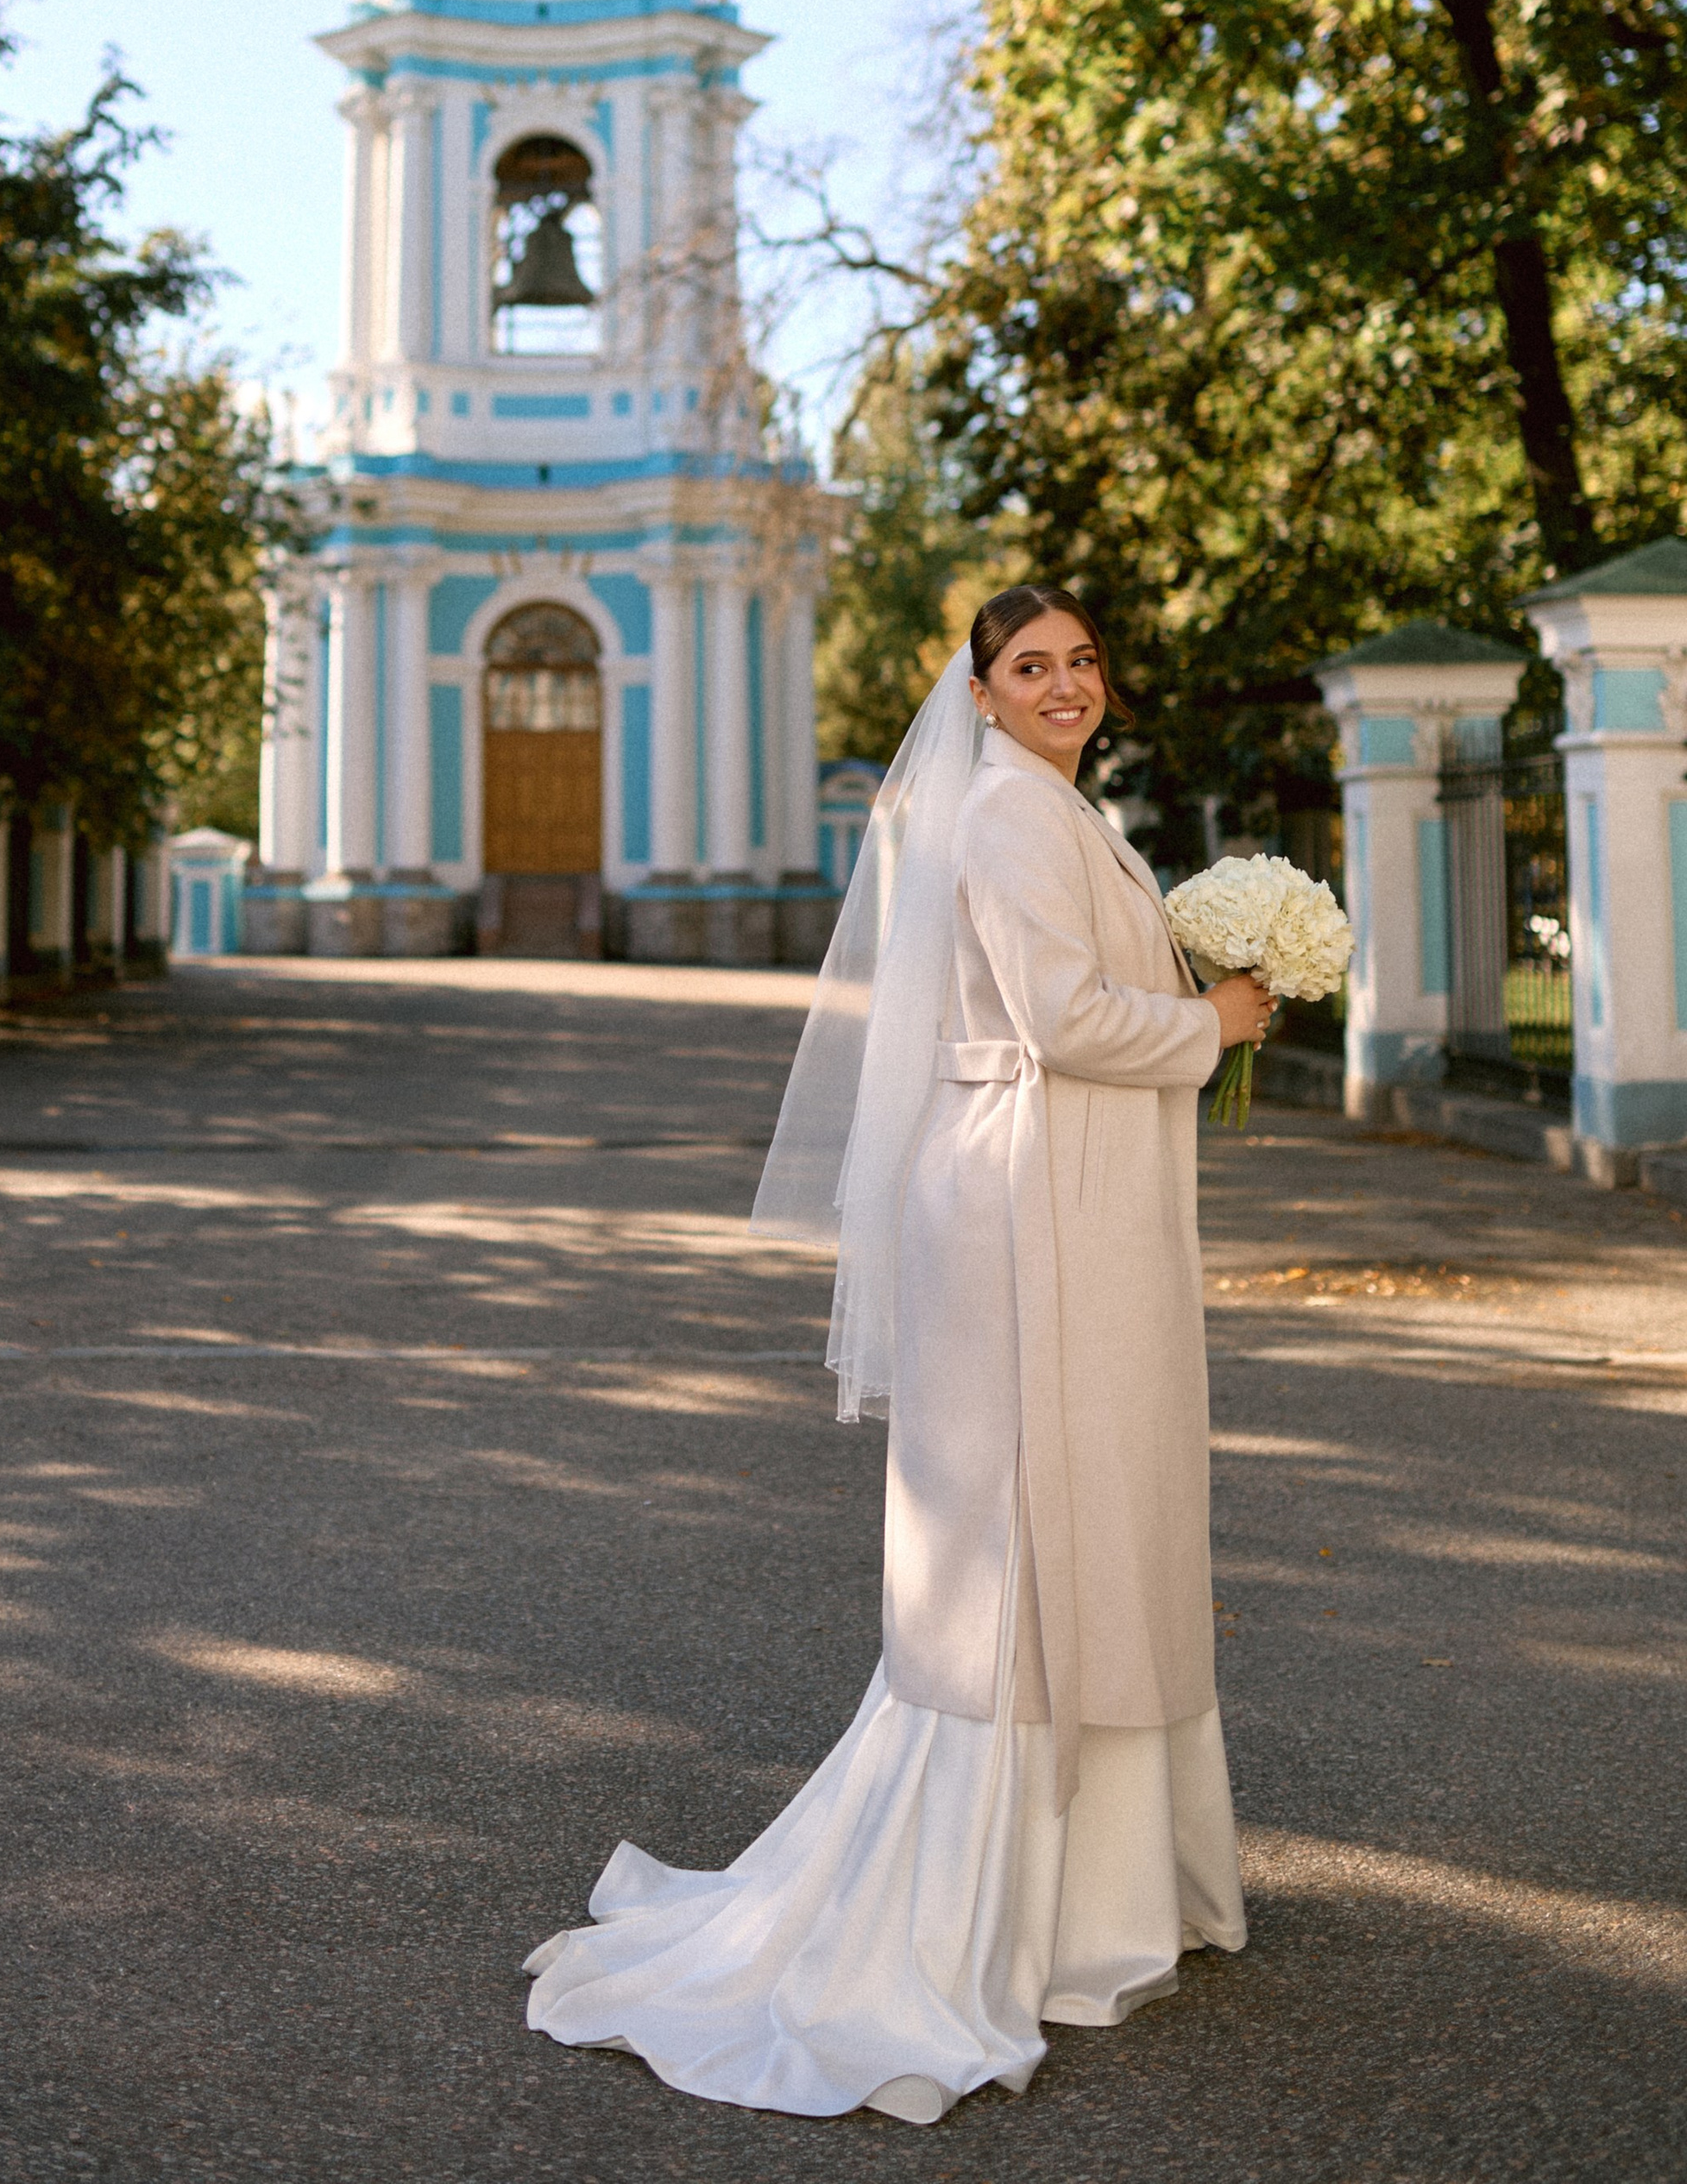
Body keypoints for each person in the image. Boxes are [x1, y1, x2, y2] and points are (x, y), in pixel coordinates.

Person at [524, 583, 1270, 2121]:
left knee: (1098, 1506)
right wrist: (1219, 1024)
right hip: (1026, 1204)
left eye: (1080, 659)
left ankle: (1102, 1889)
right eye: (1029, 667)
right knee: (1022, 1532)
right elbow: (1063, 1017)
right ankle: (987, 1907)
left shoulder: (1064, 806)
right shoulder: (1005, 814)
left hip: (1077, 1185)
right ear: (982, 693)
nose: (1063, 683)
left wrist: (1198, 1004)